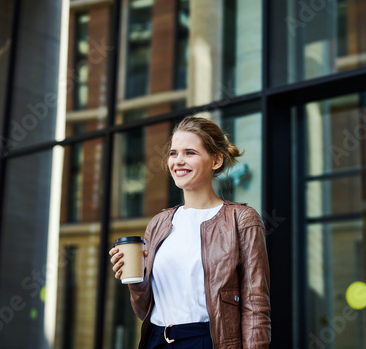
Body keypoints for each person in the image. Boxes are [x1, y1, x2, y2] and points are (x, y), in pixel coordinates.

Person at [110, 116, 271, 349]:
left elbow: (256, 305)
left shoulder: (241, 220)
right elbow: (144, 309)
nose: (178, 161)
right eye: (173, 153)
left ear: (216, 160)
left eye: (190, 153)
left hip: (207, 340)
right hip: (156, 340)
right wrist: (136, 282)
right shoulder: (159, 223)